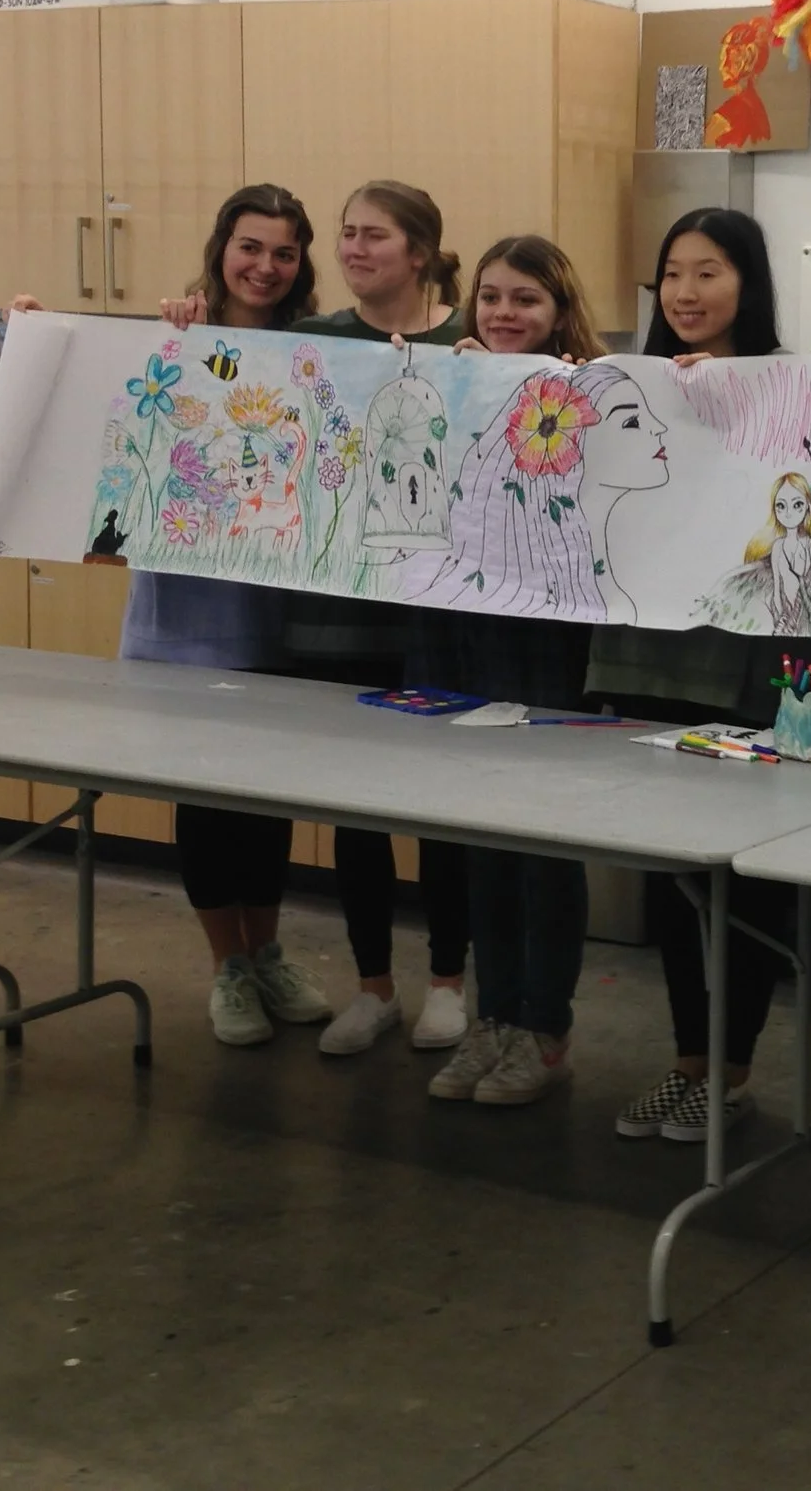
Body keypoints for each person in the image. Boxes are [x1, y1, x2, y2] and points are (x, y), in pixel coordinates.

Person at [12, 185, 335, 1047]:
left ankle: (267, 954)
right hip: (184, 626)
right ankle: (228, 967)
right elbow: (91, 401)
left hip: (281, 623)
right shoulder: (171, 339)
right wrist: (41, 333)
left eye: (284, 252)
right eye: (250, 246)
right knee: (207, 807)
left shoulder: (319, 352)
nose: (265, 266)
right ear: (222, 247)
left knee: (267, 806)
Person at [595, 210, 801, 1143]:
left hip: (744, 669)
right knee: (672, 879)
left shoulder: (786, 387)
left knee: (739, 879)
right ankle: (688, 1062)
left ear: (747, 283)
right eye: (672, 272)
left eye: (708, 271)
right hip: (651, 659)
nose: (685, 291)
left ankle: (733, 1069)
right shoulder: (635, 386)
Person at [286, 180, 473, 1057]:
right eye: (347, 234)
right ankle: (372, 987)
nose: (354, 249)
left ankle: (448, 984)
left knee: (443, 813)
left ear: (420, 252)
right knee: (354, 813)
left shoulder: (470, 342)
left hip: (441, 619)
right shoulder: (313, 341)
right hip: (335, 614)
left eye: (375, 236)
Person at [419, 236, 607, 1106]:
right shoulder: (459, 380)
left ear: (559, 310)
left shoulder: (596, 392)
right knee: (481, 836)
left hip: (551, 642)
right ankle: (493, 1016)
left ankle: (544, 1027)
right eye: (490, 295)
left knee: (544, 842)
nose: (502, 312)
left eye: (525, 298)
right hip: (467, 632)